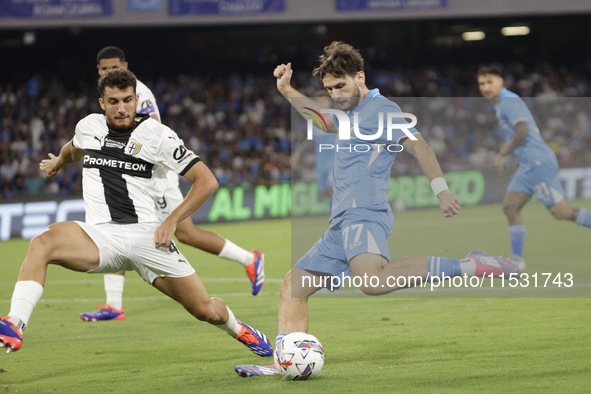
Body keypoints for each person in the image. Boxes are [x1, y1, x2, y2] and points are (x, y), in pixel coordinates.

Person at [234, 42, 521, 377]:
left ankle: (470, 265)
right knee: (292, 287)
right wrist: (286, 89)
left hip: (365, 213)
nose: (336, 94)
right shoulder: (350, 114)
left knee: (371, 280)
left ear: (360, 76)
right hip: (340, 223)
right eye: (329, 89)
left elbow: (420, 147)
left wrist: (441, 191)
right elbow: (323, 121)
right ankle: (282, 363)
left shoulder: (382, 110)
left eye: (340, 85)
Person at [0, 69, 273, 357]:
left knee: (204, 310)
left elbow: (207, 181)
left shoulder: (157, 135)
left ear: (136, 99)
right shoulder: (88, 126)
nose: (121, 108)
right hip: (100, 236)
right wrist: (59, 163)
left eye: (127, 100)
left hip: (147, 237)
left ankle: (240, 330)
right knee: (41, 242)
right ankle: (15, 323)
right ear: (102, 103)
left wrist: (171, 221)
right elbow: (74, 148)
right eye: (114, 101)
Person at [81, 46, 265, 322]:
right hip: (132, 177)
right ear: (98, 71)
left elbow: (151, 126)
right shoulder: (111, 94)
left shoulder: (138, 92)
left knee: (186, 234)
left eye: (113, 67)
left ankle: (250, 259)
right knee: (117, 225)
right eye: (104, 69)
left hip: (156, 178)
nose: (109, 72)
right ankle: (114, 305)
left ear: (126, 65)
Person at [477, 65, 591, 265]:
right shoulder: (500, 103)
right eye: (481, 83)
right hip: (527, 164)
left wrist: (503, 154)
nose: (485, 87)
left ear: (500, 81)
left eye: (489, 82)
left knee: (561, 212)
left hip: (538, 163)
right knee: (510, 207)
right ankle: (517, 262)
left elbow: (523, 131)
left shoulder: (508, 101)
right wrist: (518, 156)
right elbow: (521, 130)